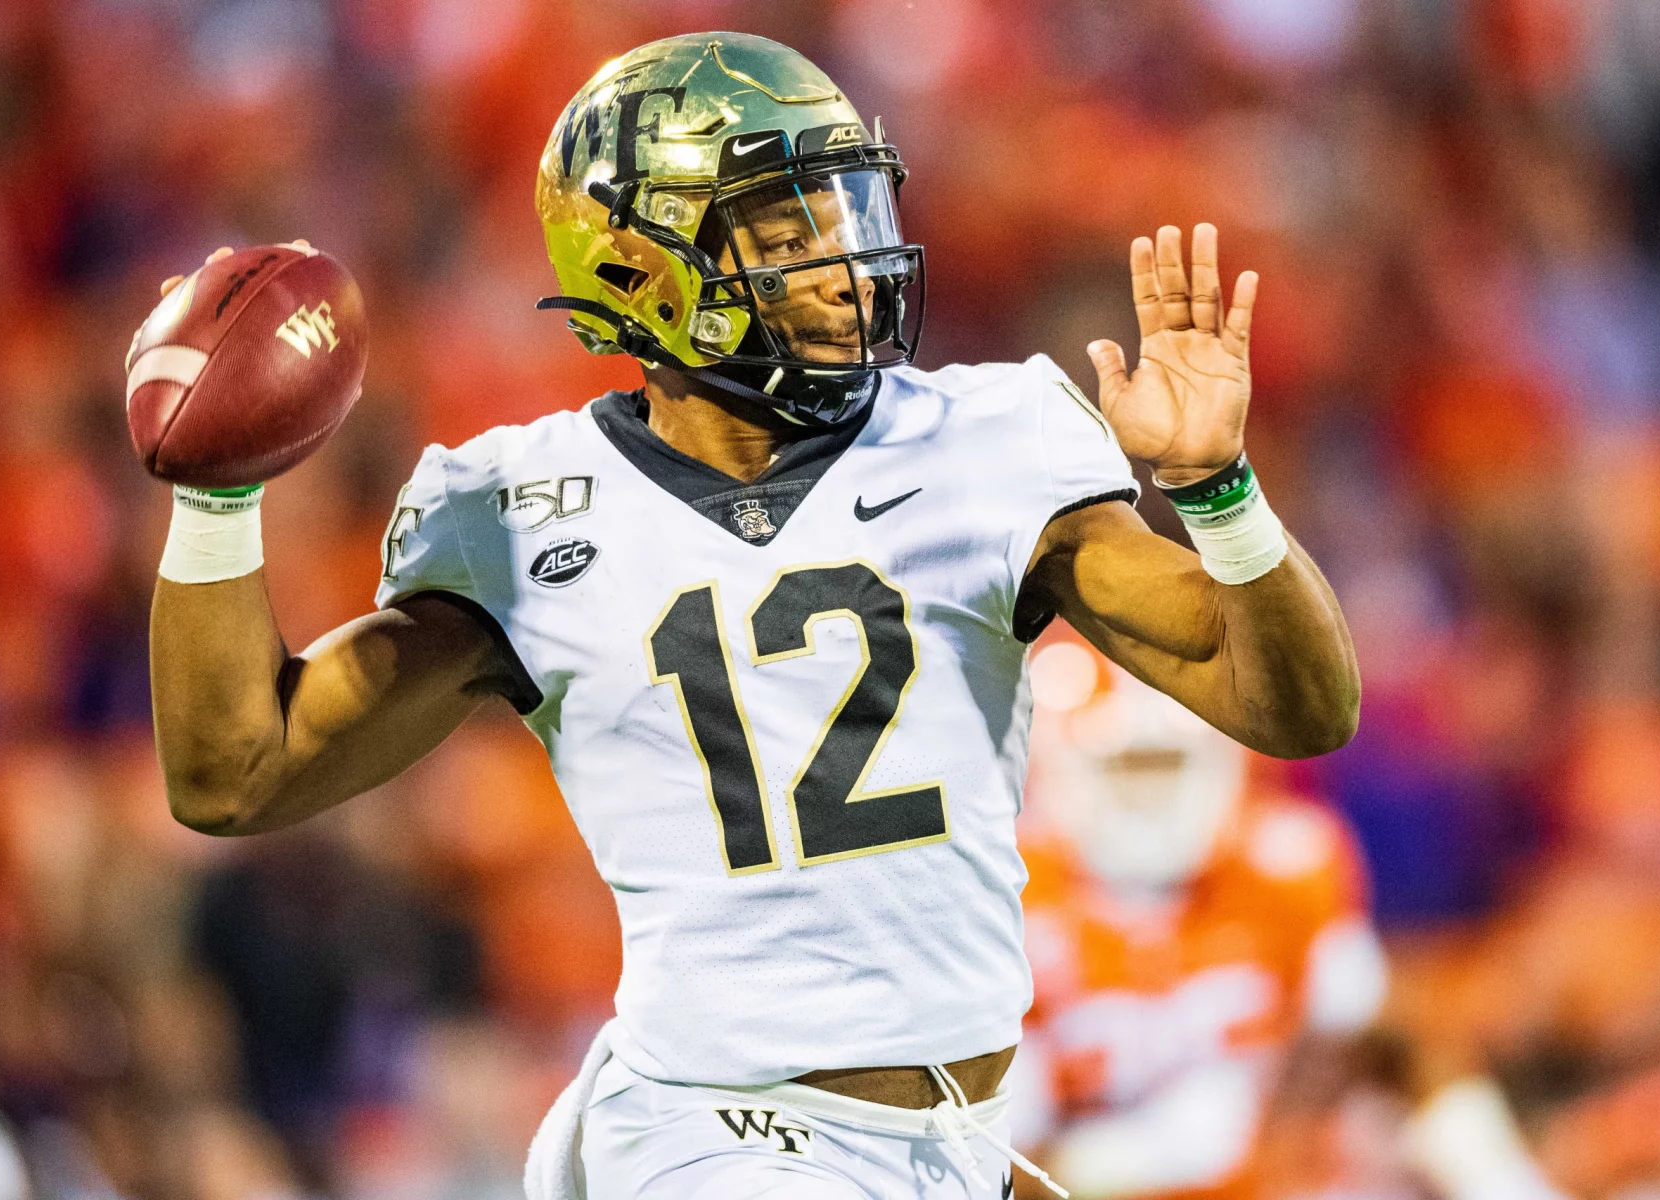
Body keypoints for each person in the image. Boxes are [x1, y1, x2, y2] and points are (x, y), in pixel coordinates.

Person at [141, 31, 1359, 1200]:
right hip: (709, 1128)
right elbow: (236, 774)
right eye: (787, 222)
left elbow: (1297, 708)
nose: (841, 259)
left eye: (846, 211)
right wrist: (216, 498)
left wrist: (1218, 496)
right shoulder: (522, 510)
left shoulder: (986, 441)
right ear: (638, 266)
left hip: (957, 1136)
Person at [1007, 639, 1386, 1200]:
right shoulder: (1014, 893)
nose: (1147, 795)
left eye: (1167, 765)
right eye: (1124, 768)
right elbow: (996, 1140)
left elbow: (1362, 1052)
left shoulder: (1288, 863)